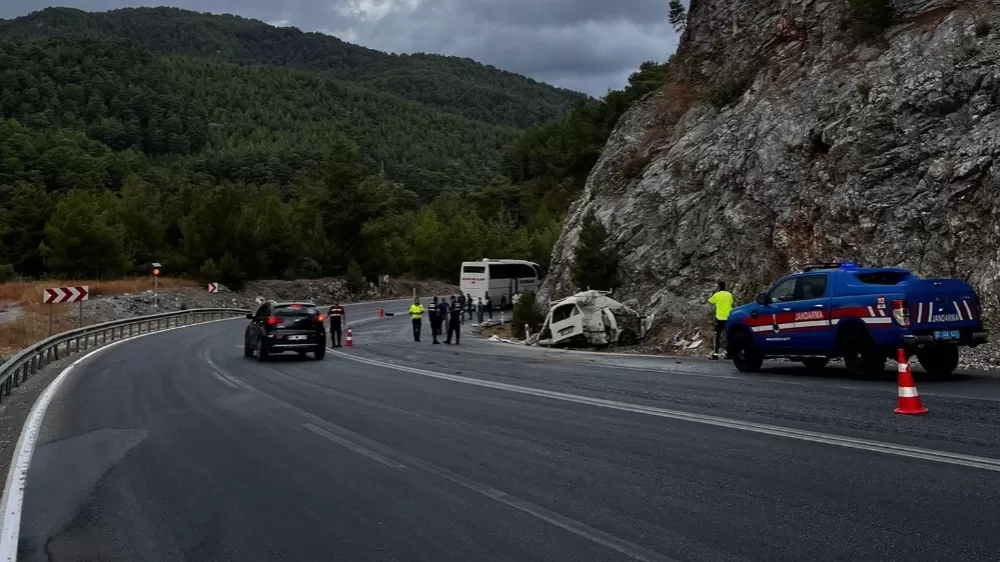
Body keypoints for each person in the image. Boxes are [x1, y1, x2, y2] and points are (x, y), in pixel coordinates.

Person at [708, 281, 734, 359]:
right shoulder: (729, 294)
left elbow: (710, 301)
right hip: (729, 318)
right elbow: (731, 302)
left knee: (717, 336)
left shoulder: (717, 295)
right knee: (729, 336)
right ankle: (729, 353)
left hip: (719, 318)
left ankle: (716, 354)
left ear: (718, 287)